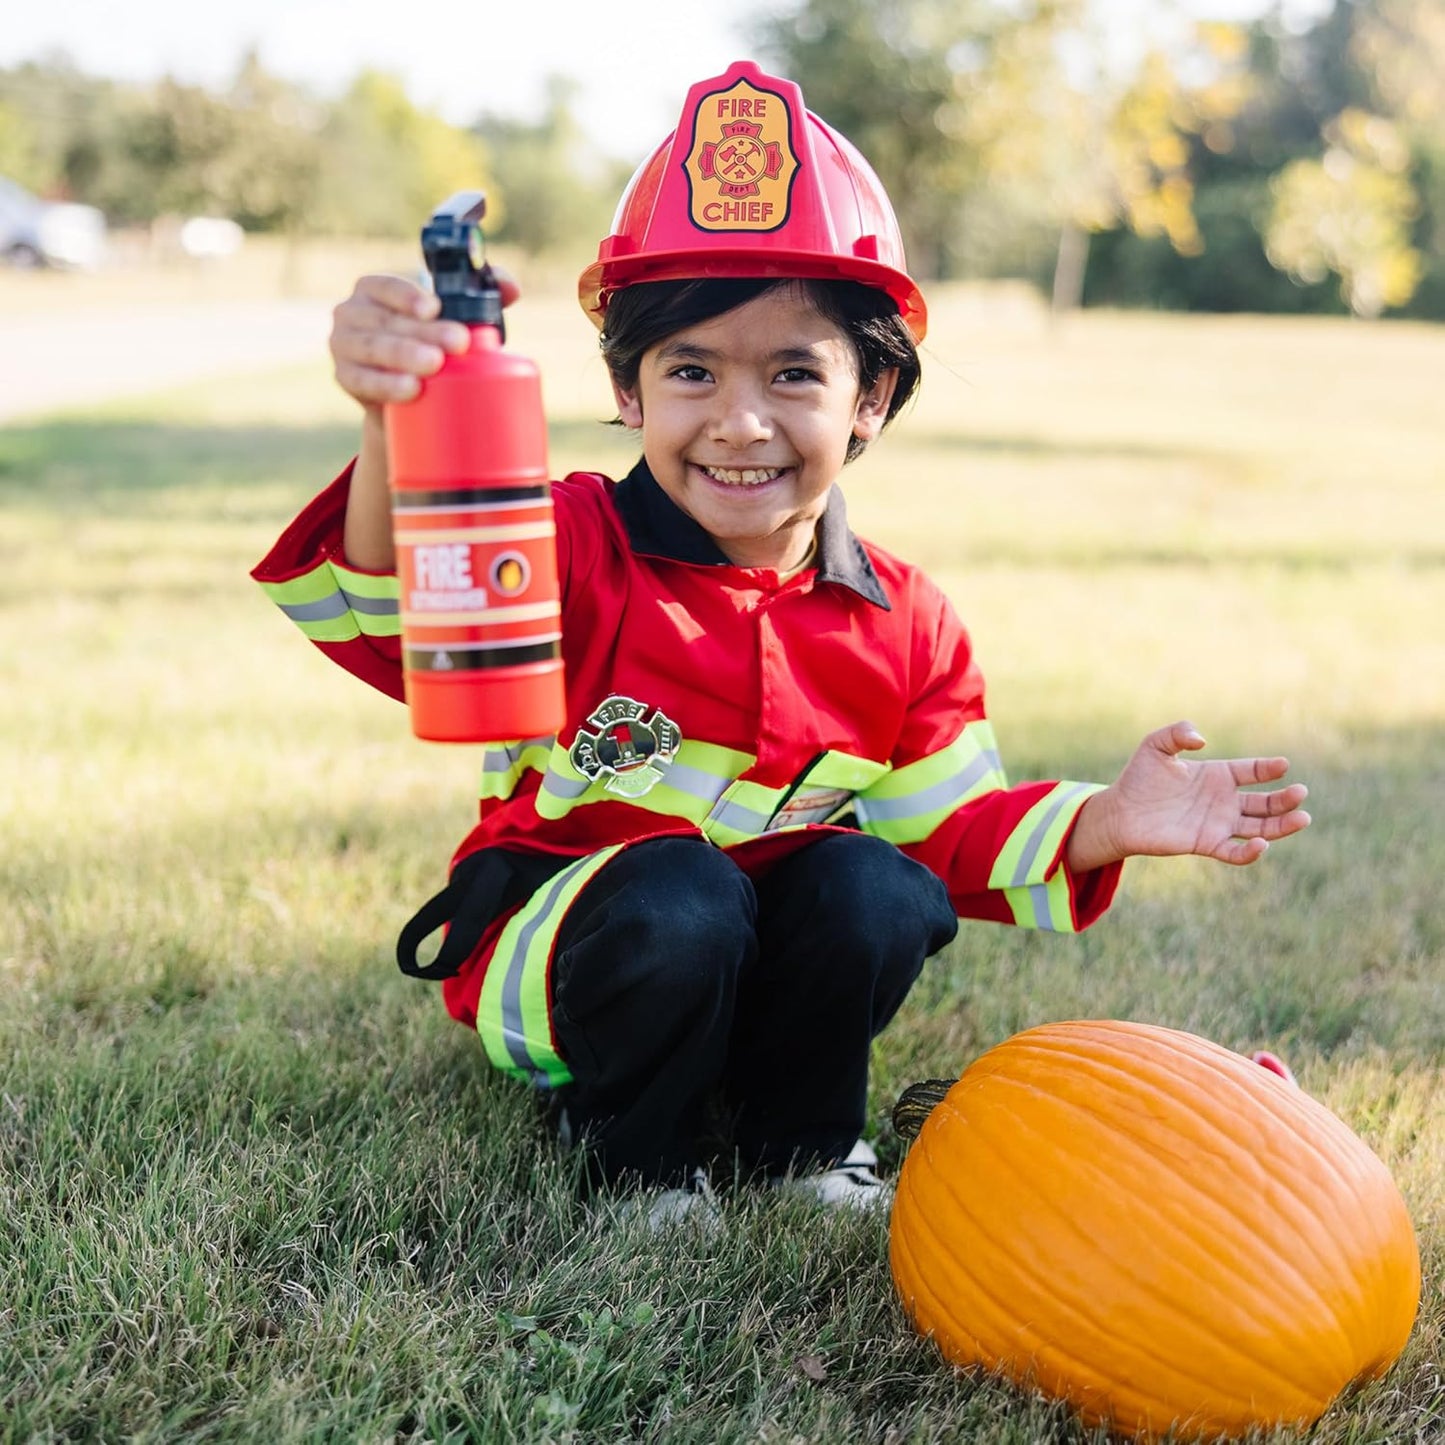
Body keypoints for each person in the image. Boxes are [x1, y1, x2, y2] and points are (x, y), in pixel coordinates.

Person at [253, 61, 1310, 1225]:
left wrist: (1106, 817)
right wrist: (387, 417)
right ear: (628, 388)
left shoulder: (902, 619)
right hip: (560, 951)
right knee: (681, 891)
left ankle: (800, 1136)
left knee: (874, 883)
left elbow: (944, 833)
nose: (739, 420)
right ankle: (630, 1148)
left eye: (794, 372)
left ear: (871, 396)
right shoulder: (563, 539)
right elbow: (401, 613)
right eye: (691, 369)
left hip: (748, 962)